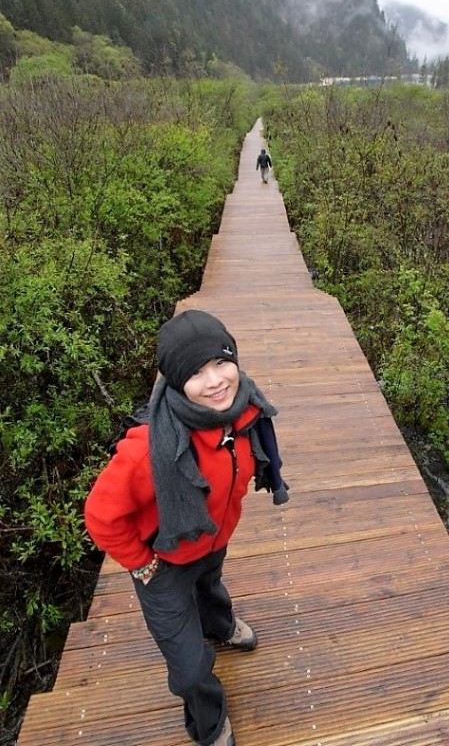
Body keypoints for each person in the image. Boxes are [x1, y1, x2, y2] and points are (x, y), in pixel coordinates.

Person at [84, 309, 289, 746]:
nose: (215, 381)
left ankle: (219, 626)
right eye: (196, 372)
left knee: (211, 586)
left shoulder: (244, 409)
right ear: (176, 381)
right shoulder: (148, 449)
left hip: (213, 538)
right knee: (191, 669)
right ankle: (209, 723)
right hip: (163, 561)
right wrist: (140, 563)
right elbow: (100, 516)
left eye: (221, 362)